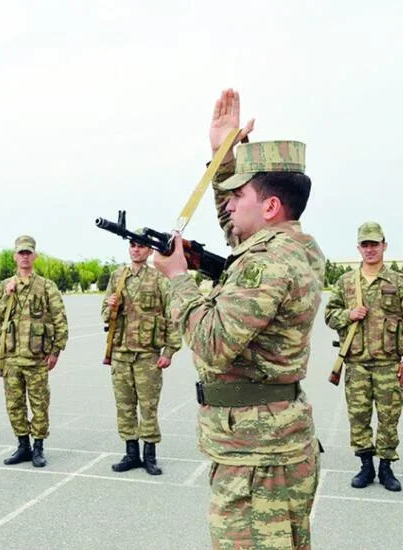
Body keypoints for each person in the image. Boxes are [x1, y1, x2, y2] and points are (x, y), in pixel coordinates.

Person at [154, 89, 325, 549]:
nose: (228, 204)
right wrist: (221, 159)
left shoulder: (268, 262)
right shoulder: (290, 246)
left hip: (258, 457)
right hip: (264, 446)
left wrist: (177, 279)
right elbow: (236, 229)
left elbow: (211, 341)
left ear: (270, 207)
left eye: (239, 194)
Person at [324, 221, 403, 492]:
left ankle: (386, 467)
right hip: (356, 362)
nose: (370, 249)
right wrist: (349, 314)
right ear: (359, 247)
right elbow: (329, 315)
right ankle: (365, 466)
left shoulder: (397, 281)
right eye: (365, 244)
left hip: (388, 362)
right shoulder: (346, 282)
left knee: (389, 416)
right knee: (358, 416)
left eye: (375, 244)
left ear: (384, 246)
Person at [101, 241, 180, 475]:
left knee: (148, 407)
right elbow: (105, 314)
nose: (136, 250)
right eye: (132, 246)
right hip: (121, 354)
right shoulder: (117, 277)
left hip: (147, 355)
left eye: (141, 247)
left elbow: (172, 315)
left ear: (149, 251)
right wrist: (110, 306)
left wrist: (169, 351)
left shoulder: (158, 279)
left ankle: (150, 456)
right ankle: (131, 453)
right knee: (125, 406)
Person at [0, 235, 68, 468]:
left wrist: (56, 351)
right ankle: (22, 445)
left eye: (28, 253)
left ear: (35, 256)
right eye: (21, 253)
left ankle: (38, 448)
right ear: (15, 256)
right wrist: (8, 294)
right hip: (12, 357)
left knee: (39, 403)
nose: (24, 257)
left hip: (36, 358)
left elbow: (60, 320)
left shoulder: (46, 286)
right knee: (14, 404)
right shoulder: (5, 285)